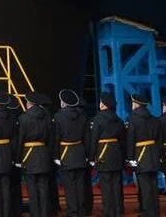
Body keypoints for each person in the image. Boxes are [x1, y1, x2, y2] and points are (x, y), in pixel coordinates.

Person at [88, 92, 125, 217]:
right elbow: (123, 141)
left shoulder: (98, 119)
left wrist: (92, 157)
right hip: (117, 154)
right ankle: (118, 210)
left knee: (106, 185)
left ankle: (109, 211)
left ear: (103, 104)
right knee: (117, 185)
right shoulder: (119, 120)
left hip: (103, 153)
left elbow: (94, 139)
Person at [53, 89, 87, 217]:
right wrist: (87, 154)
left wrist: (56, 156)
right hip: (80, 151)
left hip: (66, 153)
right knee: (80, 184)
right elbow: (86, 137)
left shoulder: (58, 116)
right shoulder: (82, 115)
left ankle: (73, 211)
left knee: (69, 185)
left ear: (63, 102)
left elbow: (56, 137)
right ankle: (81, 210)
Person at [127, 93, 161, 217]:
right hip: (153, 153)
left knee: (145, 187)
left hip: (140, 154)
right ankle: (155, 211)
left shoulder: (133, 119)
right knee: (153, 185)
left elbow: (131, 139)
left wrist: (130, 158)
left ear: (136, 104)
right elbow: (158, 139)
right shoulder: (154, 119)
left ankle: (148, 212)